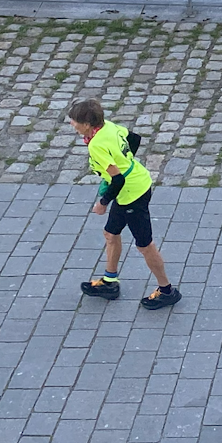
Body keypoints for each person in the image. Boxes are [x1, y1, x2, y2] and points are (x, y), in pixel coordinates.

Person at [66, 97, 181, 310]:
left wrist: (103, 203)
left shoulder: (97, 145)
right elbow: (134, 139)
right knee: (111, 234)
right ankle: (110, 282)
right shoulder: (107, 127)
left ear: (88, 124)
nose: (71, 124)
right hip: (135, 184)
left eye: (74, 121)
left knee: (145, 245)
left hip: (131, 194)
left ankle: (167, 291)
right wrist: (126, 163)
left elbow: (118, 179)